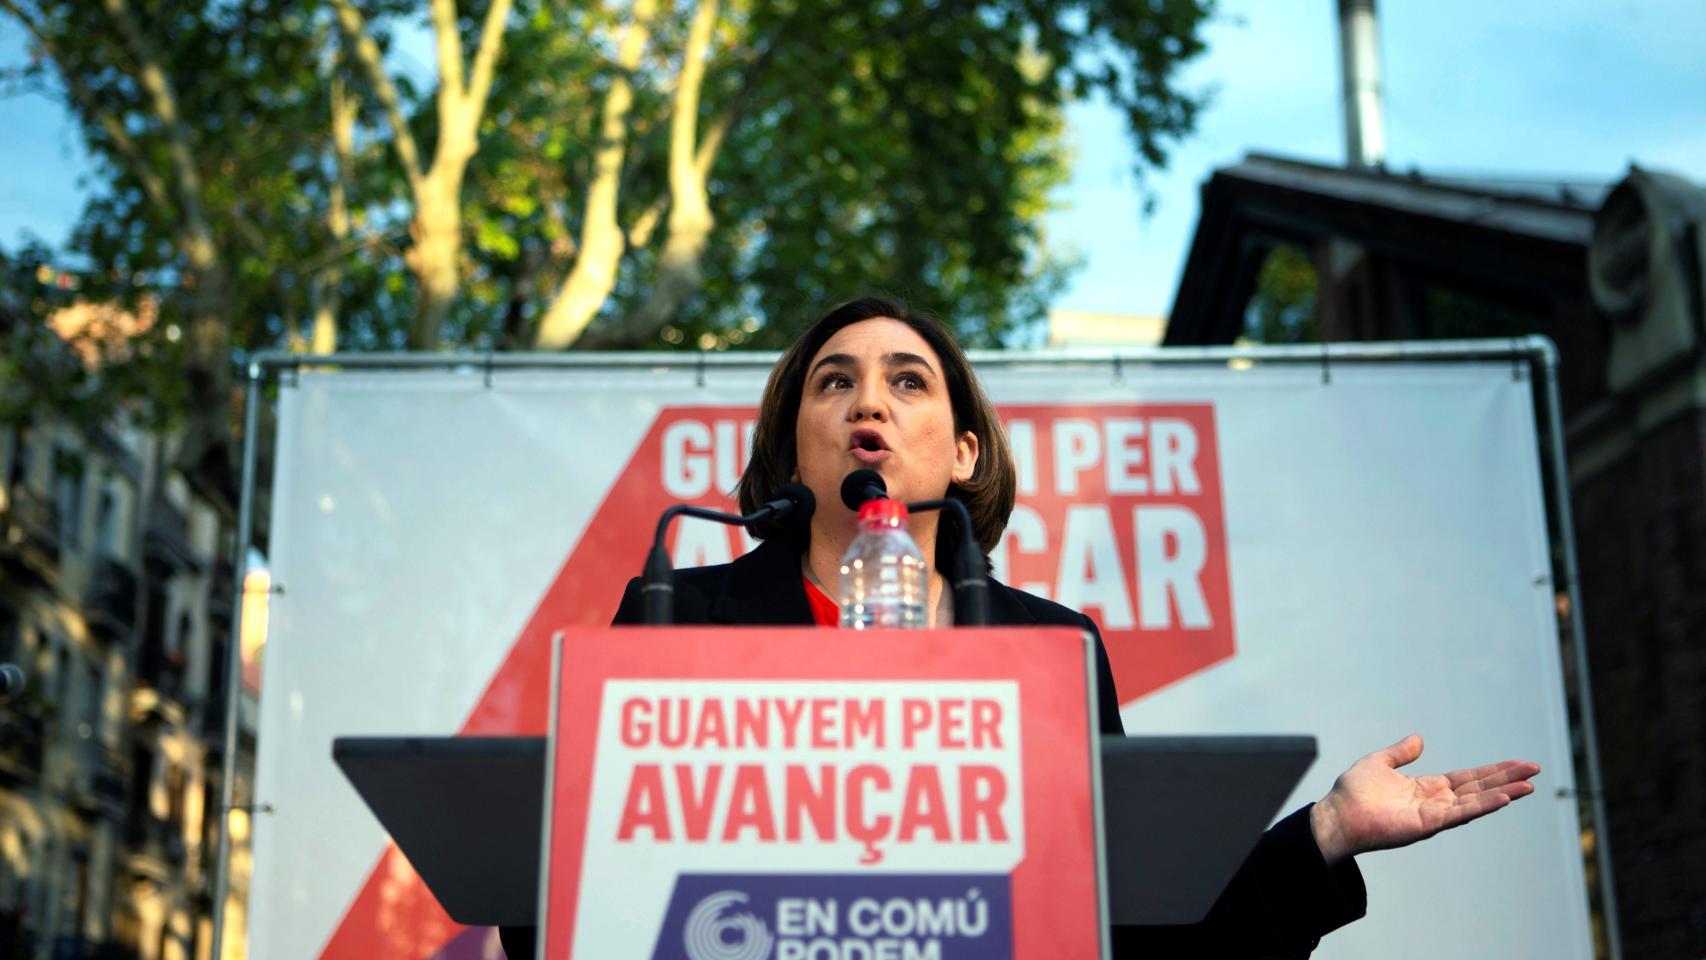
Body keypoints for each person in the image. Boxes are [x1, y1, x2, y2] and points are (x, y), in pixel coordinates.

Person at [501, 296, 1541, 959]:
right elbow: (556, 910)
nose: (868, 402)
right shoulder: (676, 619)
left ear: (961, 451)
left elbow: (1127, 929)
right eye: (834, 381)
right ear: (794, 447)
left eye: (907, 381)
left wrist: (1323, 835)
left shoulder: (1050, 650)